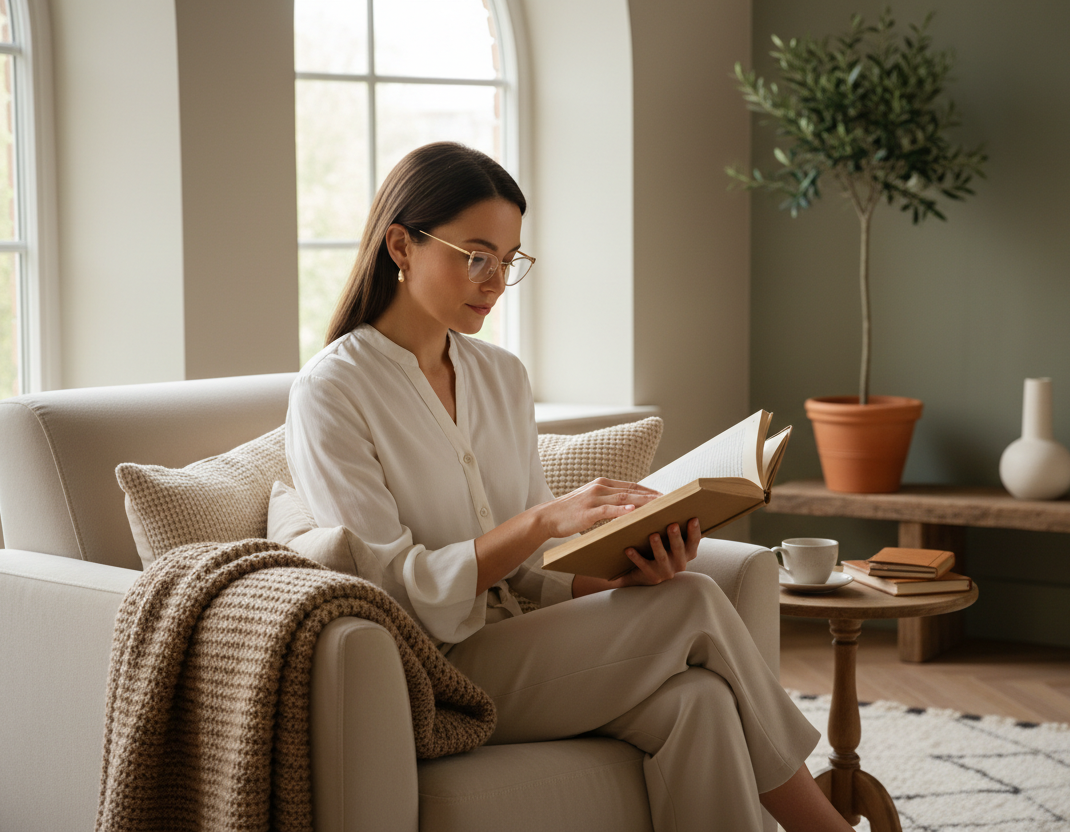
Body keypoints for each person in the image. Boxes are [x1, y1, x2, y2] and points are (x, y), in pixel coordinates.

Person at [285, 141, 853, 832]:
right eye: (475, 256)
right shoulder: (333, 391)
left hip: (521, 641)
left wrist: (615, 576)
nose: (495, 281)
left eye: (508, 260)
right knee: (697, 599)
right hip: (430, 671)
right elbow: (390, 591)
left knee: (699, 701)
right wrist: (543, 520)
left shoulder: (501, 376)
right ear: (401, 245)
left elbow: (529, 571)